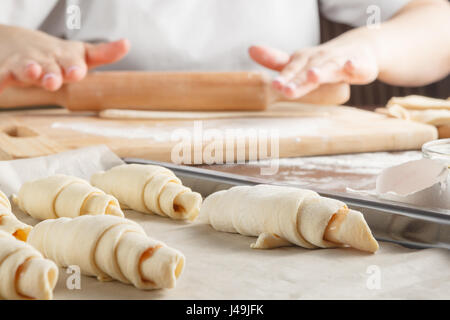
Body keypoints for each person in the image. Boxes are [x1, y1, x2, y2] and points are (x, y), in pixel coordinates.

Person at [0, 0, 448, 105]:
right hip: (83, 153)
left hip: (289, 151)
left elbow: (435, 21)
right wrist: (8, 40)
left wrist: (370, 44)